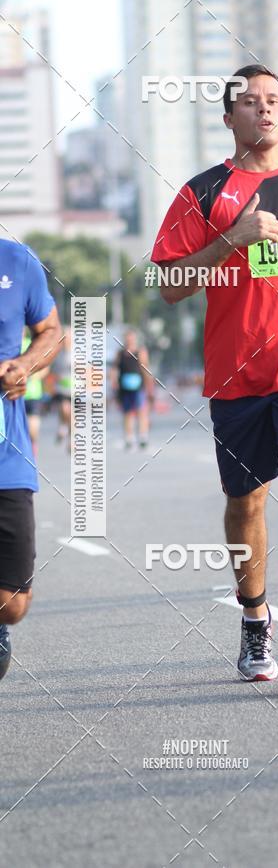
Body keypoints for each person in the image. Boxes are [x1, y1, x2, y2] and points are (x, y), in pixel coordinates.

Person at [151, 64, 278, 688]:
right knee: (246, 503)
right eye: (250, 102)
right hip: (237, 370)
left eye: (274, 101)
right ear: (228, 117)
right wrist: (230, 241)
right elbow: (170, 286)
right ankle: (254, 617)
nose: (264, 110)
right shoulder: (202, 192)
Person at [0, 239, 61, 681]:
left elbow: (51, 331)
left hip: (7, 453)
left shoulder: (17, 260)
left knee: (14, 602)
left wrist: (24, 366)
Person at [112, 329, 153, 449]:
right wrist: (114, 382)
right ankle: (129, 438)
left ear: (135, 339)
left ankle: (143, 437)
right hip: (124, 387)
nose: (129, 340)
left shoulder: (140, 351)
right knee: (127, 413)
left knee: (141, 411)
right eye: (127, 338)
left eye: (131, 338)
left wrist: (149, 383)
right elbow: (115, 369)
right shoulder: (120, 354)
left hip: (139, 386)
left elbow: (145, 368)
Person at [21, 330, 50, 459]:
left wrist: (35, 375)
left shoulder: (31, 346)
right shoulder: (7, 347)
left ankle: (33, 444)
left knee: (33, 427)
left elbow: (45, 366)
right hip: (12, 395)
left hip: (32, 393)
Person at [52, 326, 72, 451]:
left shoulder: (78, 353)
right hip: (61, 388)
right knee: (65, 409)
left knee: (72, 415)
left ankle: (71, 441)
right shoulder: (58, 354)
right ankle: (63, 426)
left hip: (76, 388)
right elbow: (53, 372)